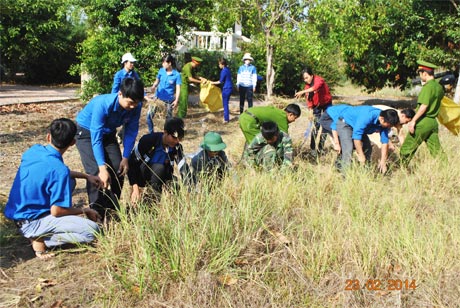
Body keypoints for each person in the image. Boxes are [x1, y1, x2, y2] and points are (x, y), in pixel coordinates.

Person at [4, 118, 101, 260]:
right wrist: (84, 210)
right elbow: (57, 211)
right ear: (73, 143)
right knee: (93, 231)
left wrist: (86, 176)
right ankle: (41, 238)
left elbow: (57, 172)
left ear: (48, 136)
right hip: (32, 222)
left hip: (17, 213)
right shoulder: (59, 170)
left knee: (70, 180)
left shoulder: (34, 151)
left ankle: (38, 231)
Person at [75, 78, 145, 217]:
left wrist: (125, 157)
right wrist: (102, 167)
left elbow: (131, 132)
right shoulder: (103, 104)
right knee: (96, 173)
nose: (133, 106)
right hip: (87, 134)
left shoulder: (136, 106)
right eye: (130, 103)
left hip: (108, 134)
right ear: (120, 94)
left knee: (118, 168)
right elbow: (96, 138)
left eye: (136, 103)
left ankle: (111, 209)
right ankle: (96, 214)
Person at [128, 118, 188, 203]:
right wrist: (135, 188)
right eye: (174, 138)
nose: (177, 141)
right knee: (159, 168)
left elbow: (184, 169)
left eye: (180, 138)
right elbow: (131, 164)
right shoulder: (148, 141)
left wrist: (190, 189)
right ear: (165, 132)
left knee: (175, 184)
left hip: (161, 176)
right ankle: (152, 203)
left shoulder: (177, 147)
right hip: (142, 176)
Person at [400, 60, 445, 166]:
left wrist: (413, 121)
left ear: (424, 73)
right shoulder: (439, 87)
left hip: (423, 121)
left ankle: (402, 170)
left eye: (420, 74)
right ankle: (446, 169)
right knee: (437, 151)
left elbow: (423, 107)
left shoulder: (428, 87)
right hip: (433, 122)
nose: (420, 77)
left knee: (406, 149)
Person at [335, 106, 399, 173]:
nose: (389, 128)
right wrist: (361, 155)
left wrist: (383, 161)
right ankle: (345, 175)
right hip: (346, 123)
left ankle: (365, 171)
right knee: (348, 148)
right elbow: (357, 137)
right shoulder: (367, 116)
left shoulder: (385, 122)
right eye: (388, 126)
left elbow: (385, 142)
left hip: (359, 127)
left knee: (368, 148)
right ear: (382, 119)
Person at [294, 67, 333, 156]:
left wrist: (302, 91)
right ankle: (312, 148)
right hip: (317, 106)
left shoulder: (319, 80)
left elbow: (315, 87)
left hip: (327, 104)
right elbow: (309, 100)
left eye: (307, 77)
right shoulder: (307, 87)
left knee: (326, 126)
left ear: (312, 75)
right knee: (316, 126)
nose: (305, 80)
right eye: (304, 79)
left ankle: (321, 147)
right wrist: (310, 111)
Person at [147, 54, 182, 132]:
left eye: (164, 62)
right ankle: (151, 132)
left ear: (169, 63)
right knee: (149, 116)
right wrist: (153, 86)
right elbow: (157, 81)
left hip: (169, 101)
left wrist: (176, 100)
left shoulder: (176, 75)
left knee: (168, 120)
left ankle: (166, 134)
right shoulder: (161, 71)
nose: (162, 64)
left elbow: (178, 88)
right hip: (157, 98)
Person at [210, 58, 233, 123]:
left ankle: (226, 119)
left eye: (219, 64)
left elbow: (220, 81)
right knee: (226, 103)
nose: (218, 65)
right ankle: (226, 117)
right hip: (230, 87)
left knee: (225, 104)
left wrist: (212, 82)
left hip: (226, 88)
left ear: (222, 64)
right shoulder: (228, 70)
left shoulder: (224, 71)